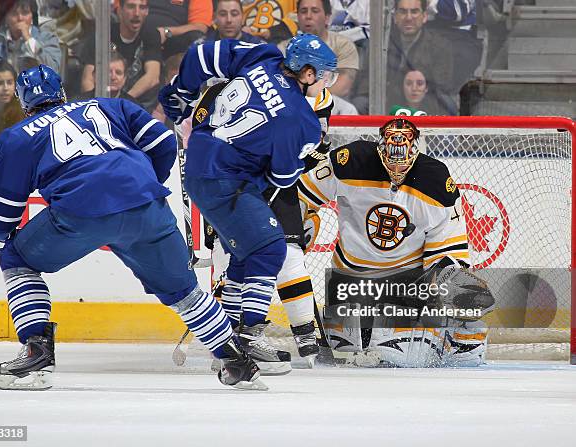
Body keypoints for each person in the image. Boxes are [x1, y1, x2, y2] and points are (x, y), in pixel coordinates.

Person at [0, 64, 266, 391]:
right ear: (63, 94)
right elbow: (163, 141)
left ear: (24, 103)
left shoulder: (18, 136)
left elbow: (3, 205)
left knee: (17, 261)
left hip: (82, 212)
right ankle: (237, 362)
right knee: (185, 292)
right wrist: (142, 184)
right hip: (147, 206)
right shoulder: (109, 106)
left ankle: (36, 351)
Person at [158, 34, 338, 374]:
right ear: (309, 74)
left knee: (245, 254)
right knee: (271, 250)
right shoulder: (301, 120)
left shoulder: (264, 56)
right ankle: (250, 338)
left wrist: (180, 91)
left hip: (199, 162)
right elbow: (283, 178)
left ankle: (227, 342)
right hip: (228, 181)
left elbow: (201, 54)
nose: (327, 81)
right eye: (325, 74)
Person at [298, 118, 494, 367]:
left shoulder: (436, 182)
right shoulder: (350, 160)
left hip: (405, 282)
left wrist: (439, 290)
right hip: (350, 278)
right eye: (390, 161)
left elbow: (447, 252)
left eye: (403, 164)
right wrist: (294, 228)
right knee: (353, 347)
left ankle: (458, 342)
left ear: (415, 151)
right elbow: (302, 195)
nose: (396, 171)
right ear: (379, 148)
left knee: (461, 296)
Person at [80, 0, 161, 112]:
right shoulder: (103, 33)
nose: (137, 13)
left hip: (136, 104)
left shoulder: (151, 34)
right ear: (120, 11)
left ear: (147, 11)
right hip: (99, 104)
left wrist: (121, 102)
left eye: (142, 7)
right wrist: (96, 106)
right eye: (131, 6)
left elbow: (152, 77)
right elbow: (88, 78)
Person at [278, 0, 359, 100]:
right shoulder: (284, 47)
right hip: (293, 104)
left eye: (315, 11)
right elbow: (279, 83)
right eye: (303, 11)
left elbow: (343, 87)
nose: (308, 16)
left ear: (327, 18)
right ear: (298, 17)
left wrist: (311, 97)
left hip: (332, 104)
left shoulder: (343, 45)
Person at [387, 0, 456, 115]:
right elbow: (367, 83)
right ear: (395, 17)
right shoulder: (382, 44)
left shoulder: (440, 46)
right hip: (387, 101)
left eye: (414, 12)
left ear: (424, 16)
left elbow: (441, 87)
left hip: (426, 103)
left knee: (447, 104)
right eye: (403, 12)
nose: (408, 18)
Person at [0, 0, 61, 82]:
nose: (20, 18)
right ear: (6, 17)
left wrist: (29, 40)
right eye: (14, 13)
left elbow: (53, 72)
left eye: (25, 13)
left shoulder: (47, 38)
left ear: (32, 15)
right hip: (2, 92)